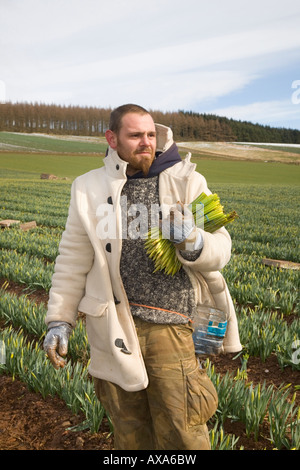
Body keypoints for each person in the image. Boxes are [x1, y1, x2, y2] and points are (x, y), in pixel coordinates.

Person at [43, 104, 242, 450]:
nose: (146, 142)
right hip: (114, 326)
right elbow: (72, 259)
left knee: (183, 432)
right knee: (130, 432)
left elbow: (222, 248)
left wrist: (193, 240)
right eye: (135, 135)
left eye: (150, 135)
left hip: (172, 328)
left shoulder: (184, 182)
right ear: (112, 138)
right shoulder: (88, 189)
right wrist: (59, 320)